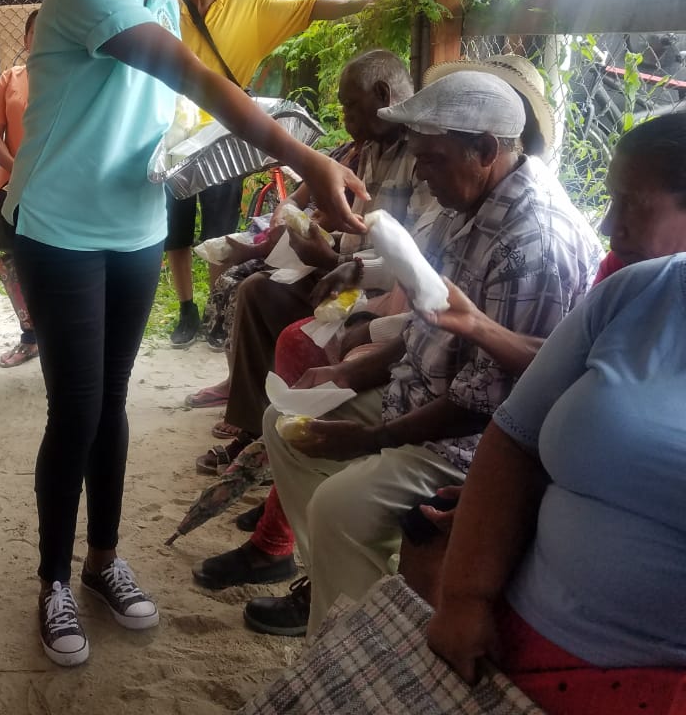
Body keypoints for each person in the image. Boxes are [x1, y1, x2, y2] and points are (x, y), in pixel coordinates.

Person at [5, 0, 367, 667]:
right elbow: (191, 76)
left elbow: (161, 107)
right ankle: (54, 580)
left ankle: (102, 562)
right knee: (76, 409)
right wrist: (308, 159)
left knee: (113, 406)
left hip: (133, 221)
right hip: (60, 227)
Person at [245, 69, 600, 640]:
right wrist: (349, 369)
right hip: (424, 395)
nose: (421, 176)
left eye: (430, 160)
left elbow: (486, 405)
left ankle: (364, 644)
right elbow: (428, 326)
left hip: (473, 441)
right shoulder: (468, 204)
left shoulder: (531, 241)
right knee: (287, 423)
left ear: (485, 150)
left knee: (341, 507)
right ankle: (348, 598)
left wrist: (367, 440)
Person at [427, 129, 686, 713]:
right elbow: (515, 434)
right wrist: (465, 596)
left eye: (634, 204)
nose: (610, 226)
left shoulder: (533, 239)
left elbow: (479, 397)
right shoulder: (634, 292)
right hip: (517, 630)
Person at [188, 49, 432, 462]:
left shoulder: (422, 156)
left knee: (297, 328)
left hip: (381, 293)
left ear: (382, 92)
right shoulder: (369, 148)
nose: (345, 116)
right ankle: (254, 428)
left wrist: (335, 263)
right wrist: (318, 244)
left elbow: (418, 264)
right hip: (343, 275)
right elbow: (344, 225)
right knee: (257, 291)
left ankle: (291, 437)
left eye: (350, 105)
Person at [166, 0, 376, 347]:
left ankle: (216, 310)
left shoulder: (249, 4)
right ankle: (186, 309)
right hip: (173, 136)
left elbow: (310, 7)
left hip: (227, 136)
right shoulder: (166, 11)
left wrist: (362, 5)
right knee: (177, 231)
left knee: (220, 228)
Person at [0, 9, 39, 368]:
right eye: (37, 32)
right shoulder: (12, 78)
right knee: (13, 264)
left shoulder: (74, 80)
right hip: (13, 187)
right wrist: (15, 168)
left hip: (57, 192)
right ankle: (30, 335)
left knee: (56, 266)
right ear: (26, 39)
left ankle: (61, 334)